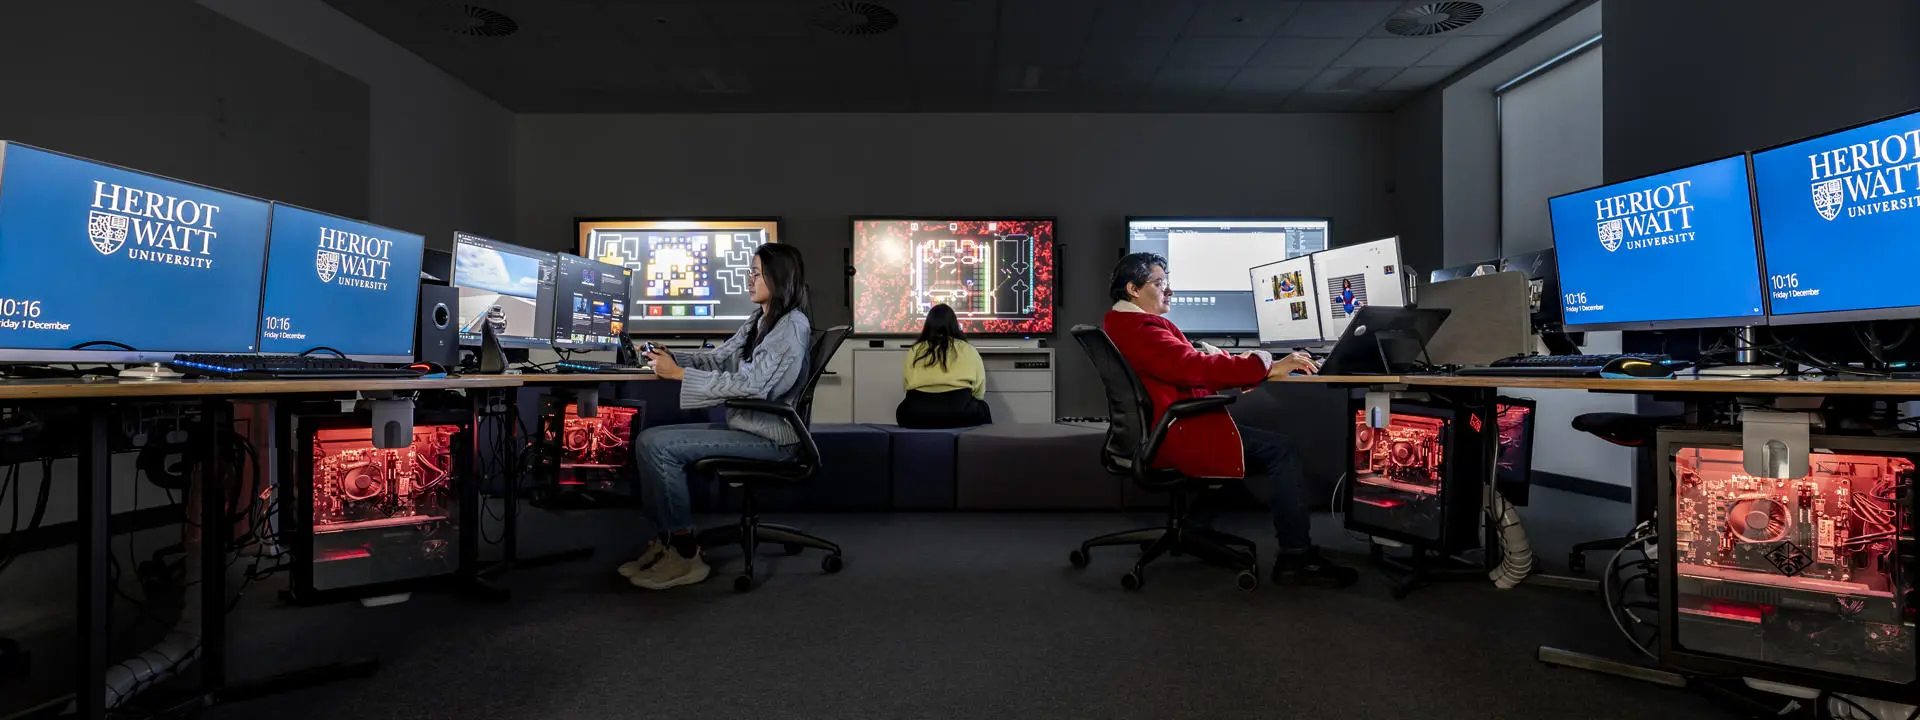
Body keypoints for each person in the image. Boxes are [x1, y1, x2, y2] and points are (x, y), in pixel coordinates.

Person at [1100, 252, 1358, 588]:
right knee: (1281, 450)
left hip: (1158, 432)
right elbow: (1191, 368)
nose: (1170, 291)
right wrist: (1266, 365)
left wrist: (1225, 360)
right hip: (1173, 435)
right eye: (1160, 283)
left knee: (1244, 442)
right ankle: (1296, 557)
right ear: (1133, 289)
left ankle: (1192, 529)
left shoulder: (1120, 324)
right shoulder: (1140, 328)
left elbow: (1182, 364)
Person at [617, 243, 813, 590]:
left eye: (756, 273)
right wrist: (672, 356)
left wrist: (678, 374)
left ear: (779, 277)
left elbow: (753, 386)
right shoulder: (760, 320)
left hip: (774, 440)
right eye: (749, 273)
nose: (749, 280)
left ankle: (684, 555)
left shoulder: (791, 327)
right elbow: (720, 358)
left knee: (657, 446)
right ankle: (669, 543)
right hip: (749, 428)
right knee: (649, 441)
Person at [897, 304, 991, 428]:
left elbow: (906, 386)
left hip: (918, 413)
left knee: (902, 409)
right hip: (961, 412)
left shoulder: (914, 350)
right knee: (983, 408)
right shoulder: (968, 349)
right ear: (954, 324)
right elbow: (979, 392)